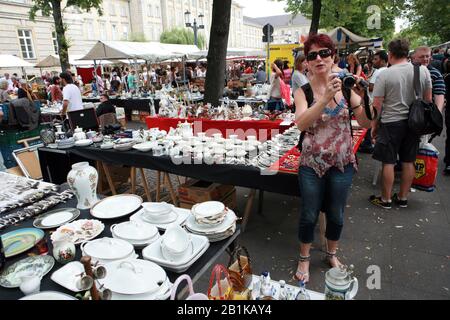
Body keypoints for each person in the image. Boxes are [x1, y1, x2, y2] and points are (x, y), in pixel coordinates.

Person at [293, 33, 372, 283]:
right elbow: (301, 123)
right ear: (306, 62)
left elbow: (366, 122)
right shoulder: (302, 91)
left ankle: (331, 253)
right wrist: (325, 98)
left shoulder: (346, 87)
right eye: (312, 55)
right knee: (309, 213)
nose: (319, 59)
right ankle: (304, 258)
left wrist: (366, 96)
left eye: (324, 53)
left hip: (342, 163)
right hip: (311, 163)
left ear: (332, 56)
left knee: (336, 213)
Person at [369, 39, 432, 209]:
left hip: (391, 122)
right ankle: (403, 198)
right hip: (414, 123)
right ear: (407, 53)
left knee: (388, 162)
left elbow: (377, 105)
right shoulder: (423, 70)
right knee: (408, 161)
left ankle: (386, 199)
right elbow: (428, 100)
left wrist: (374, 125)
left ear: (390, 54)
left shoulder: (385, 74)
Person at [412, 46, 446, 112]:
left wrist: (436, 115)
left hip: (427, 112)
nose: (425, 59)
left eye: (427, 56)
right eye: (421, 57)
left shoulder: (435, 74)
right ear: (414, 58)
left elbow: (439, 95)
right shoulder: (407, 71)